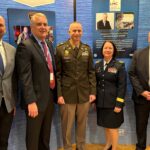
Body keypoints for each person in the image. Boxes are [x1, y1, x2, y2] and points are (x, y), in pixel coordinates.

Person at [16, 13, 57, 150]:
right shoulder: (25, 46)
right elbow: (25, 77)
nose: (43, 27)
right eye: (39, 24)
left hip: (49, 98)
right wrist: (31, 101)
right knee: (33, 138)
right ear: (31, 27)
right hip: (35, 101)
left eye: (45, 24)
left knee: (45, 136)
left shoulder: (49, 45)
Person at [56, 22, 96, 150]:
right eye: (74, 31)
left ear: (82, 32)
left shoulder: (87, 49)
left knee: (82, 124)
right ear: (69, 32)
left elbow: (91, 72)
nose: (77, 33)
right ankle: (67, 147)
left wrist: (93, 92)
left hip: (84, 94)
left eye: (79, 30)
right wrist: (59, 94)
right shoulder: (60, 49)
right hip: (67, 95)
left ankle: (81, 147)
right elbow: (58, 74)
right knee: (66, 126)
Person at [95, 41, 126, 150]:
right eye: (105, 48)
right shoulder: (97, 65)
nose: (107, 50)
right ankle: (108, 144)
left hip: (113, 103)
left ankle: (114, 148)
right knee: (106, 127)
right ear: (102, 50)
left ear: (114, 51)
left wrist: (119, 104)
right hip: (102, 102)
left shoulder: (119, 65)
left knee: (113, 128)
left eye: (110, 48)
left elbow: (122, 86)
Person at [128, 32, 150, 150]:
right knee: (141, 125)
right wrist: (141, 92)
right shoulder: (138, 54)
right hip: (142, 97)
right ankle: (140, 147)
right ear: (148, 38)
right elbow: (132, 73)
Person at [0, 16, 17, 150]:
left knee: (3, 140)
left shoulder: (12, 50)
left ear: (4, 29)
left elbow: (14, 79)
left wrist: (13, 102)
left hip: (7, 105)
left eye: (1, 25)